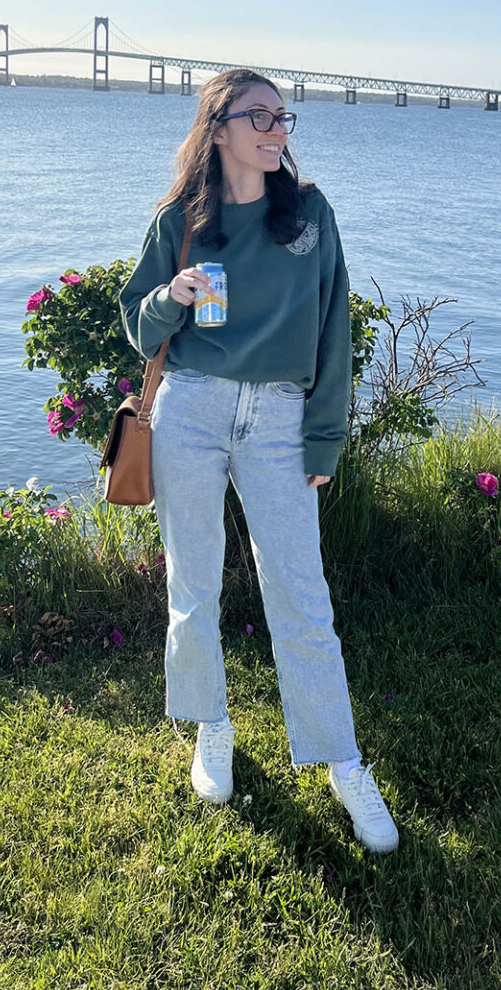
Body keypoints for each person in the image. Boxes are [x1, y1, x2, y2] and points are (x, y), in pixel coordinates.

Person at [119, 67, 399, 853]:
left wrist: (324, 435)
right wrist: (172, 294)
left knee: (302, 595)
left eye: (284, 117)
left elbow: (333, 328)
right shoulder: (182, 221)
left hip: (279, 416)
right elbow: (141, 330)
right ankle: (213, 724)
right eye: (261, 117)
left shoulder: (308, 216)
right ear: (219, 130)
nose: (278, 130)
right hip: (191, 408)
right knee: (194, 582)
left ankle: (342, 759)